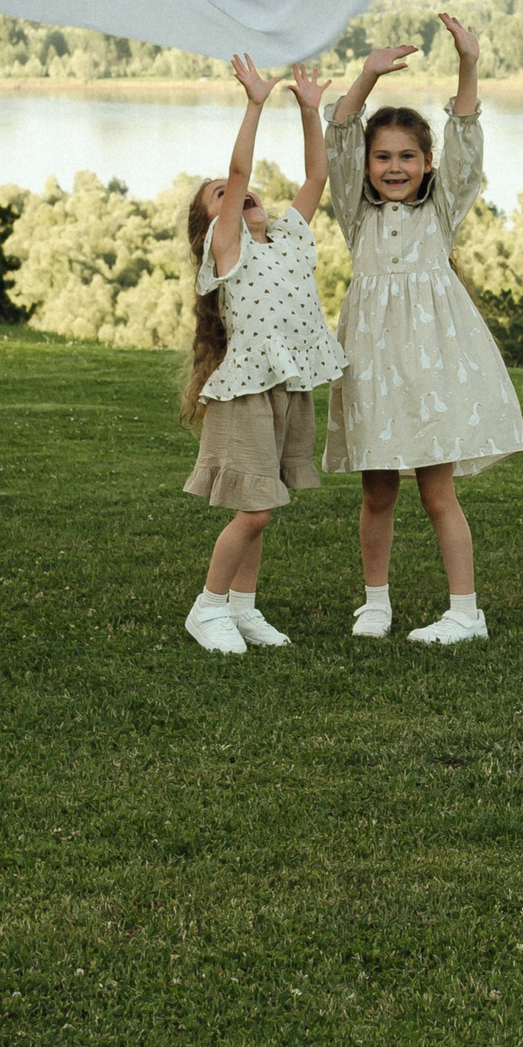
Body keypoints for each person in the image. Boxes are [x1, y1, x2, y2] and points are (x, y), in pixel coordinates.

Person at [324, 14, 523, 644]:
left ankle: (465, 611)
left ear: (426, 161)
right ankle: (376, 602)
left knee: (438, 491)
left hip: (433, 365)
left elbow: (466, 139)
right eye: (382, 157)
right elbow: (337, 133)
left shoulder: (442, 210)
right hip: (372, 364)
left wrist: (470, 63)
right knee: (378, 489)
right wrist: (365, 76)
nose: (393, 167)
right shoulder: (354, 214)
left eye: (406, 156)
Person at [179, 56, 348, 654]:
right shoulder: (228, 249)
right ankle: (208, 607)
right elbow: (239, 164)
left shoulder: (287, 236)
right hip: (246, 390)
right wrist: (254, 104)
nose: (242, 193)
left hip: (286, 383)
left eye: (245, 193)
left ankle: (243, 609)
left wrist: (309, 111)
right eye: (224, 197)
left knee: (264, 505)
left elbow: (317, 177)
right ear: (213, 223)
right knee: (251, 510)